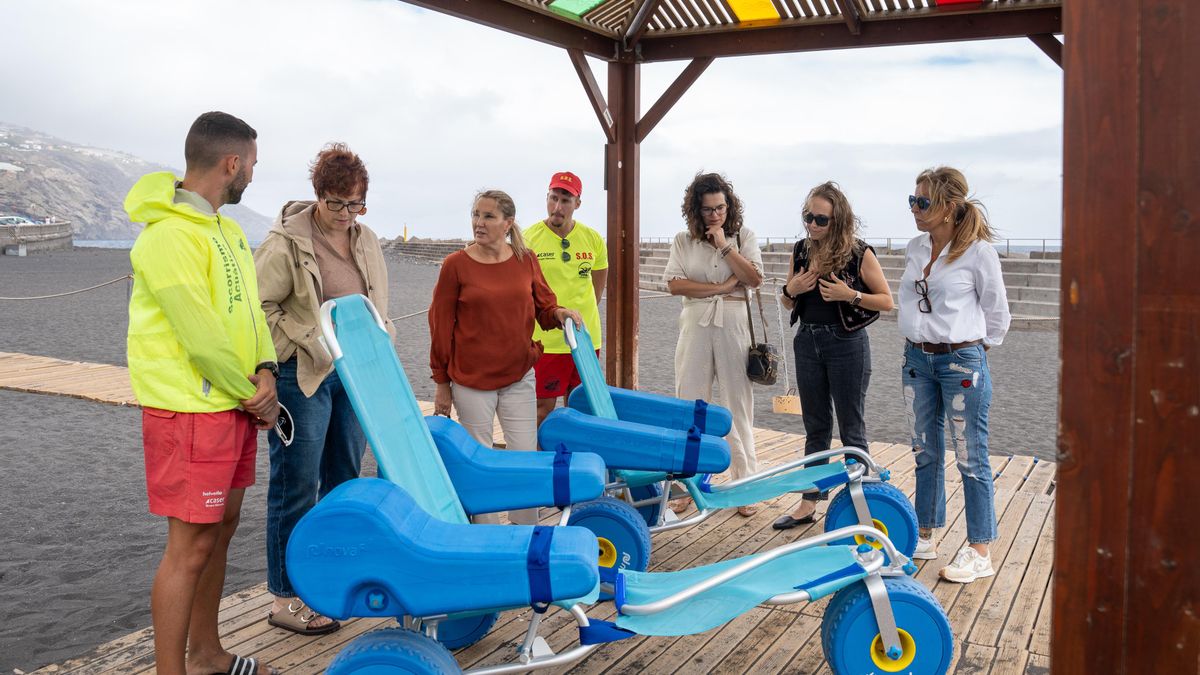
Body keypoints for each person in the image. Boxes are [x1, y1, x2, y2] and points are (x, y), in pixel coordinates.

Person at [125, 111, 279, 675]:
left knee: (221, 530)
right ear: (231, 163)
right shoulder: (166, 236)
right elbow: (199, 334)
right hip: (190, 408)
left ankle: (207, 653)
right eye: (253, 166)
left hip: (232, 404)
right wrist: (252, 393)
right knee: (187, 548)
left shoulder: (228, 230)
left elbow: (250, 314)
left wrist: (266, 369)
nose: (253, 178)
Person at [253, 143, 393, 635]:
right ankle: (285, 598)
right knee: (296, 484)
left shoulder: (367, 238)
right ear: (318, 196)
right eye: (336, 203)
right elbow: (260, 309)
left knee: (345, 480)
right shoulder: (285, 243)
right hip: (303, 375)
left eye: (355, 204)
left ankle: (331, 578)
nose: (345, 214)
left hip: (354, 374)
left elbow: (375, 304)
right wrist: (309, 343)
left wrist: (381, 348)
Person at [429, 190, 583, 524]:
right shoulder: (455, 265)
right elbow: (440, 326)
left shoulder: (525, 259)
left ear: (508, 223)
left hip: (518, 375)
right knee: (480, 462)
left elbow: (544, 306)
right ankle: (487, 539)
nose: (478, 223)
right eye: (475, 215)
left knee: (525, 458)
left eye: (488, 216)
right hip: (471, 380)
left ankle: (526, 532)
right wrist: (442, 382)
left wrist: (559, 314)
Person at [899, 166, 1011, 583]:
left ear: (948, 208)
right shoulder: (914, 247)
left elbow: (998, 314)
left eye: (922, 202)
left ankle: (980, 549)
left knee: (971, 455)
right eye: (911, 200)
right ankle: (925, 532)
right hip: (916, 360)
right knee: (924, 451)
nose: (914, 208)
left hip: (961, 361)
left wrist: (976, 349)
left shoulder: (979, 253)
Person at [772, 182, 893, 530]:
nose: (812, 225)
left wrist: (849, 294)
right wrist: (789, 290)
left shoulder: (859, 253)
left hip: (846, 344)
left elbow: (886, 301)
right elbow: (788, 299)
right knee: (816, 427)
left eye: (821, 219)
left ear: (838, 220)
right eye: (808, 217)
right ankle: (809, 503)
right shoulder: (800, 250)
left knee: (851, 427)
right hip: (807, 341)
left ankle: (864, 504)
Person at [663, 172, 764, 517]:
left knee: (738, 405)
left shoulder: (743, 236)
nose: (715, 215)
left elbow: (753, 279)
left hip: (734, 324)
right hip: (696, 322)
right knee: (688, 404)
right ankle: (684, 485)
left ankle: (745, 484)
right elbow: (675, 285)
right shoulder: (683, 240)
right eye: (708, 210)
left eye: (720, 208)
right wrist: (721, 288)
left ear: (729, 206)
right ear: (696, 210)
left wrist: (725, 246)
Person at [523, 171, 608, 426]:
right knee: (542, 411)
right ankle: (542, 463)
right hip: (546, 340)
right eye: (553, 198)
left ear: (577, 204)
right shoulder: (529, 239)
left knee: (580, 411)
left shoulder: (593, 239)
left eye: (566, 200)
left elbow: (597, 288)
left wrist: (582, 316)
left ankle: (574, 464)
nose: (557, 207)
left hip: (585, 338)